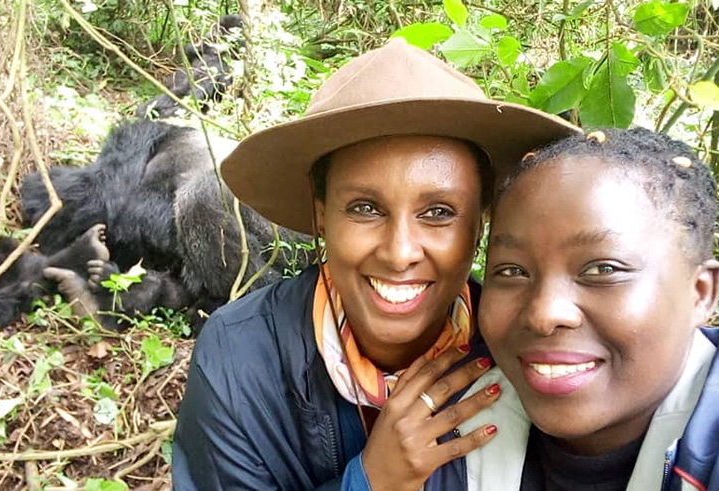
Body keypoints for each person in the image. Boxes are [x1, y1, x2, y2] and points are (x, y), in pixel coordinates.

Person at [171, 38, 578, 490]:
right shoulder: (240, 356)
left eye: (439, 212)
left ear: (479, 225)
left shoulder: (524, 350)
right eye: (365, 208)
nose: (400, 252)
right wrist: (374, 480)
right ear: (322, 215)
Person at [457, 127, 719, 490]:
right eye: (512, 271)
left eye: (603, 269)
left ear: (701, 293)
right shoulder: (441, 427)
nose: (544, 314)